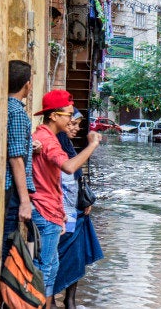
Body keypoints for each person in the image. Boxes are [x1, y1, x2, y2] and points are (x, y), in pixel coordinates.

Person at [30, 90, 102, 309]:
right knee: (46, 266)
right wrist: (92, 145)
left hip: (52, 210)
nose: (71, 120)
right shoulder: (48, 140)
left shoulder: (44, 138)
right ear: (53, 116)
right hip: (45, 210)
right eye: (68, 115)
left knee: (50, 265)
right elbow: (69, 167)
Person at [54, 108, 104, 309]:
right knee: (62, 258)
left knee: (76, 257)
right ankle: (58, 300)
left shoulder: (66, 145)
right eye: (72, 124)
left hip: (74, 211)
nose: (76, 129)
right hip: (62, 213)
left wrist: (85, 201)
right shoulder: (54, 145)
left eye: (78, 125)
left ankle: (69, 300)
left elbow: (75, 179)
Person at [3, 60, 42, 261]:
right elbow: (16, 159)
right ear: (27, 84)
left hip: (9, 190)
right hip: (12, 192)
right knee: (7, 248)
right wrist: (25, 202)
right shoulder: (17, 112)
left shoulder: (5, 108)